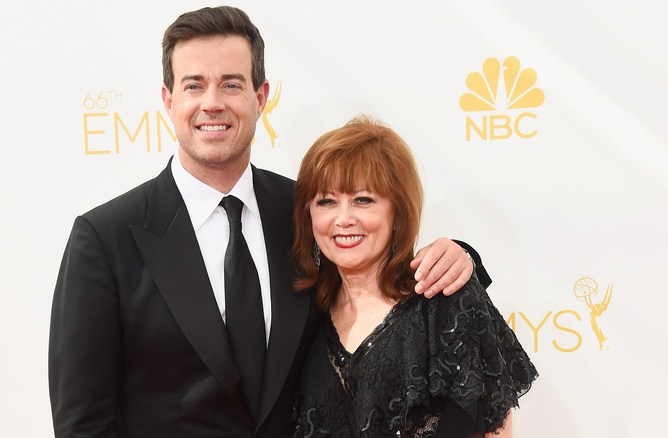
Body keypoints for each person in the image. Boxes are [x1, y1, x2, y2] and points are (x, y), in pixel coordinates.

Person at [48, 7, 490, 438]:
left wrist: (460, 256)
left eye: (231, 84)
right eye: (194, 85)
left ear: (260, 97)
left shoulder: (305, 211)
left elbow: (377, 282)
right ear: (168, 99)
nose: (213, 103)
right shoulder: (105, 238)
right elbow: (83, 425)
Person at [291, 116, 537, 437]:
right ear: (308, 214)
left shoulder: (445, 301)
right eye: (326, 201)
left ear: (398, 211)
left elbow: (495, 429)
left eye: (363, 199)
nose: (344, 218)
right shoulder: (303, 318)